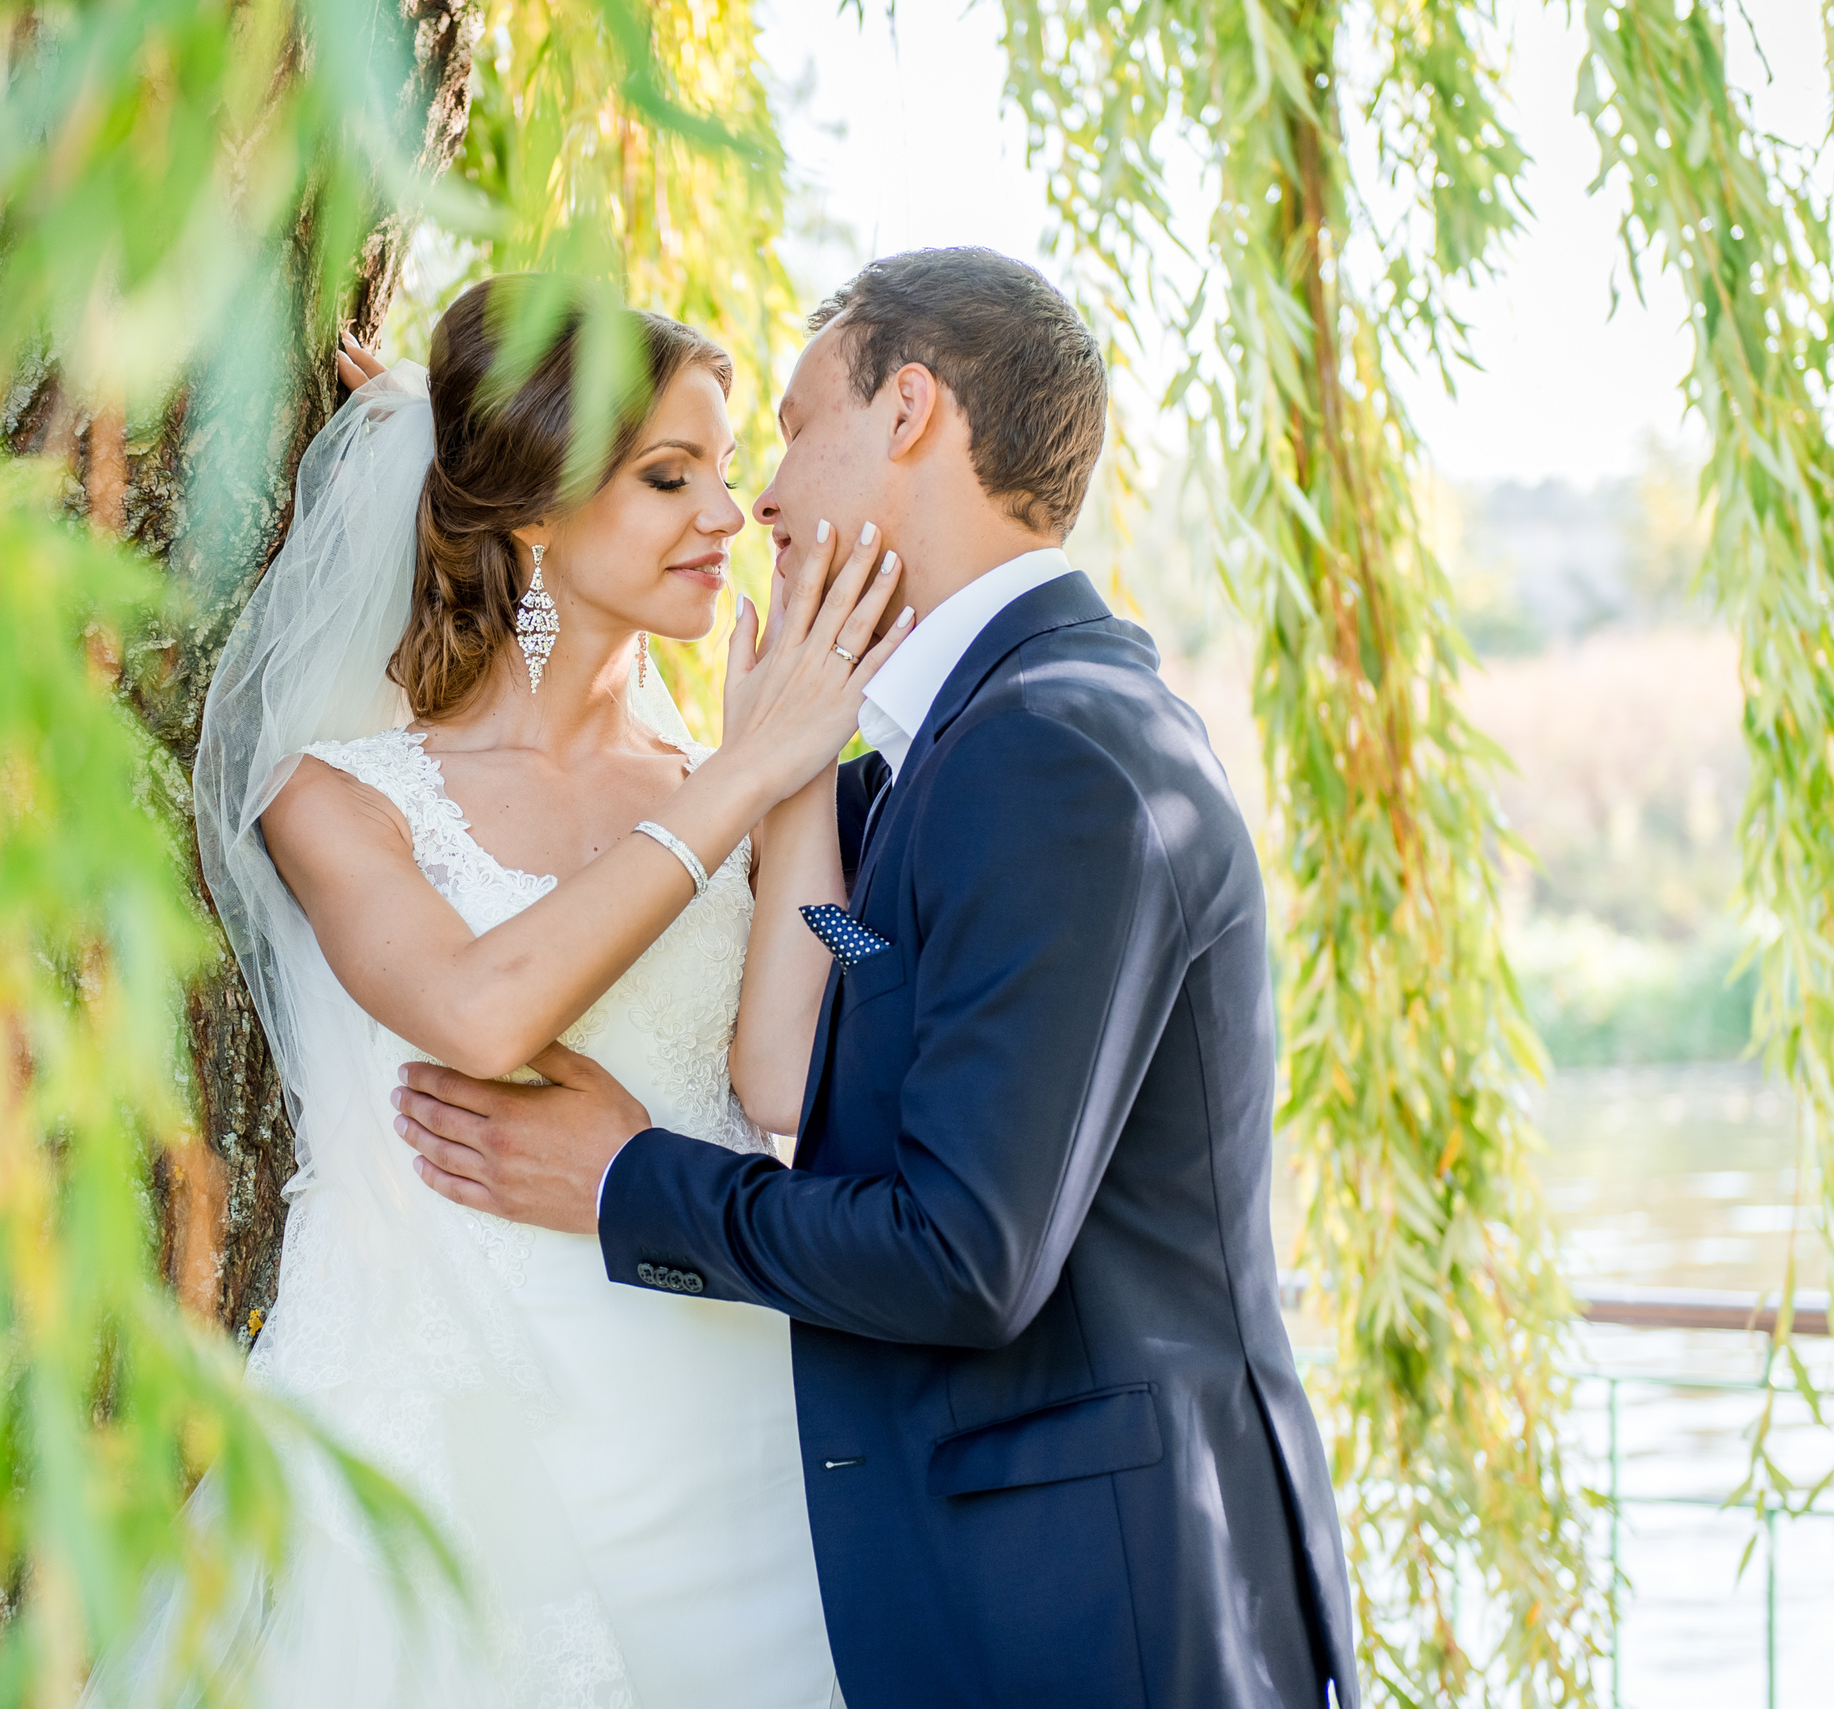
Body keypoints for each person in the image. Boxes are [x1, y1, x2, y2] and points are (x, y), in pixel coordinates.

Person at [393, 248, 1361, 1708]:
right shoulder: (959, 747)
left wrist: (624, 1180)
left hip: (1104, 1621)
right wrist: (787, 784)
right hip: (986, 1597)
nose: (762, 500)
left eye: (789, 430)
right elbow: (863, 969)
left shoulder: (1056, 752)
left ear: (910, 410)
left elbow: (965, 1251)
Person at [149, 274, 910, 1709]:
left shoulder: (721, 781)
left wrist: (795, 781)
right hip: (458, 1432)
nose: (727, 519)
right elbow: (485, 1007)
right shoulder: (340, 796)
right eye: (669, 476)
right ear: (538, 514)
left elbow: (782, 1068)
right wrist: (743, 779)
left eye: (729, 478)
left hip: (718, 1423)